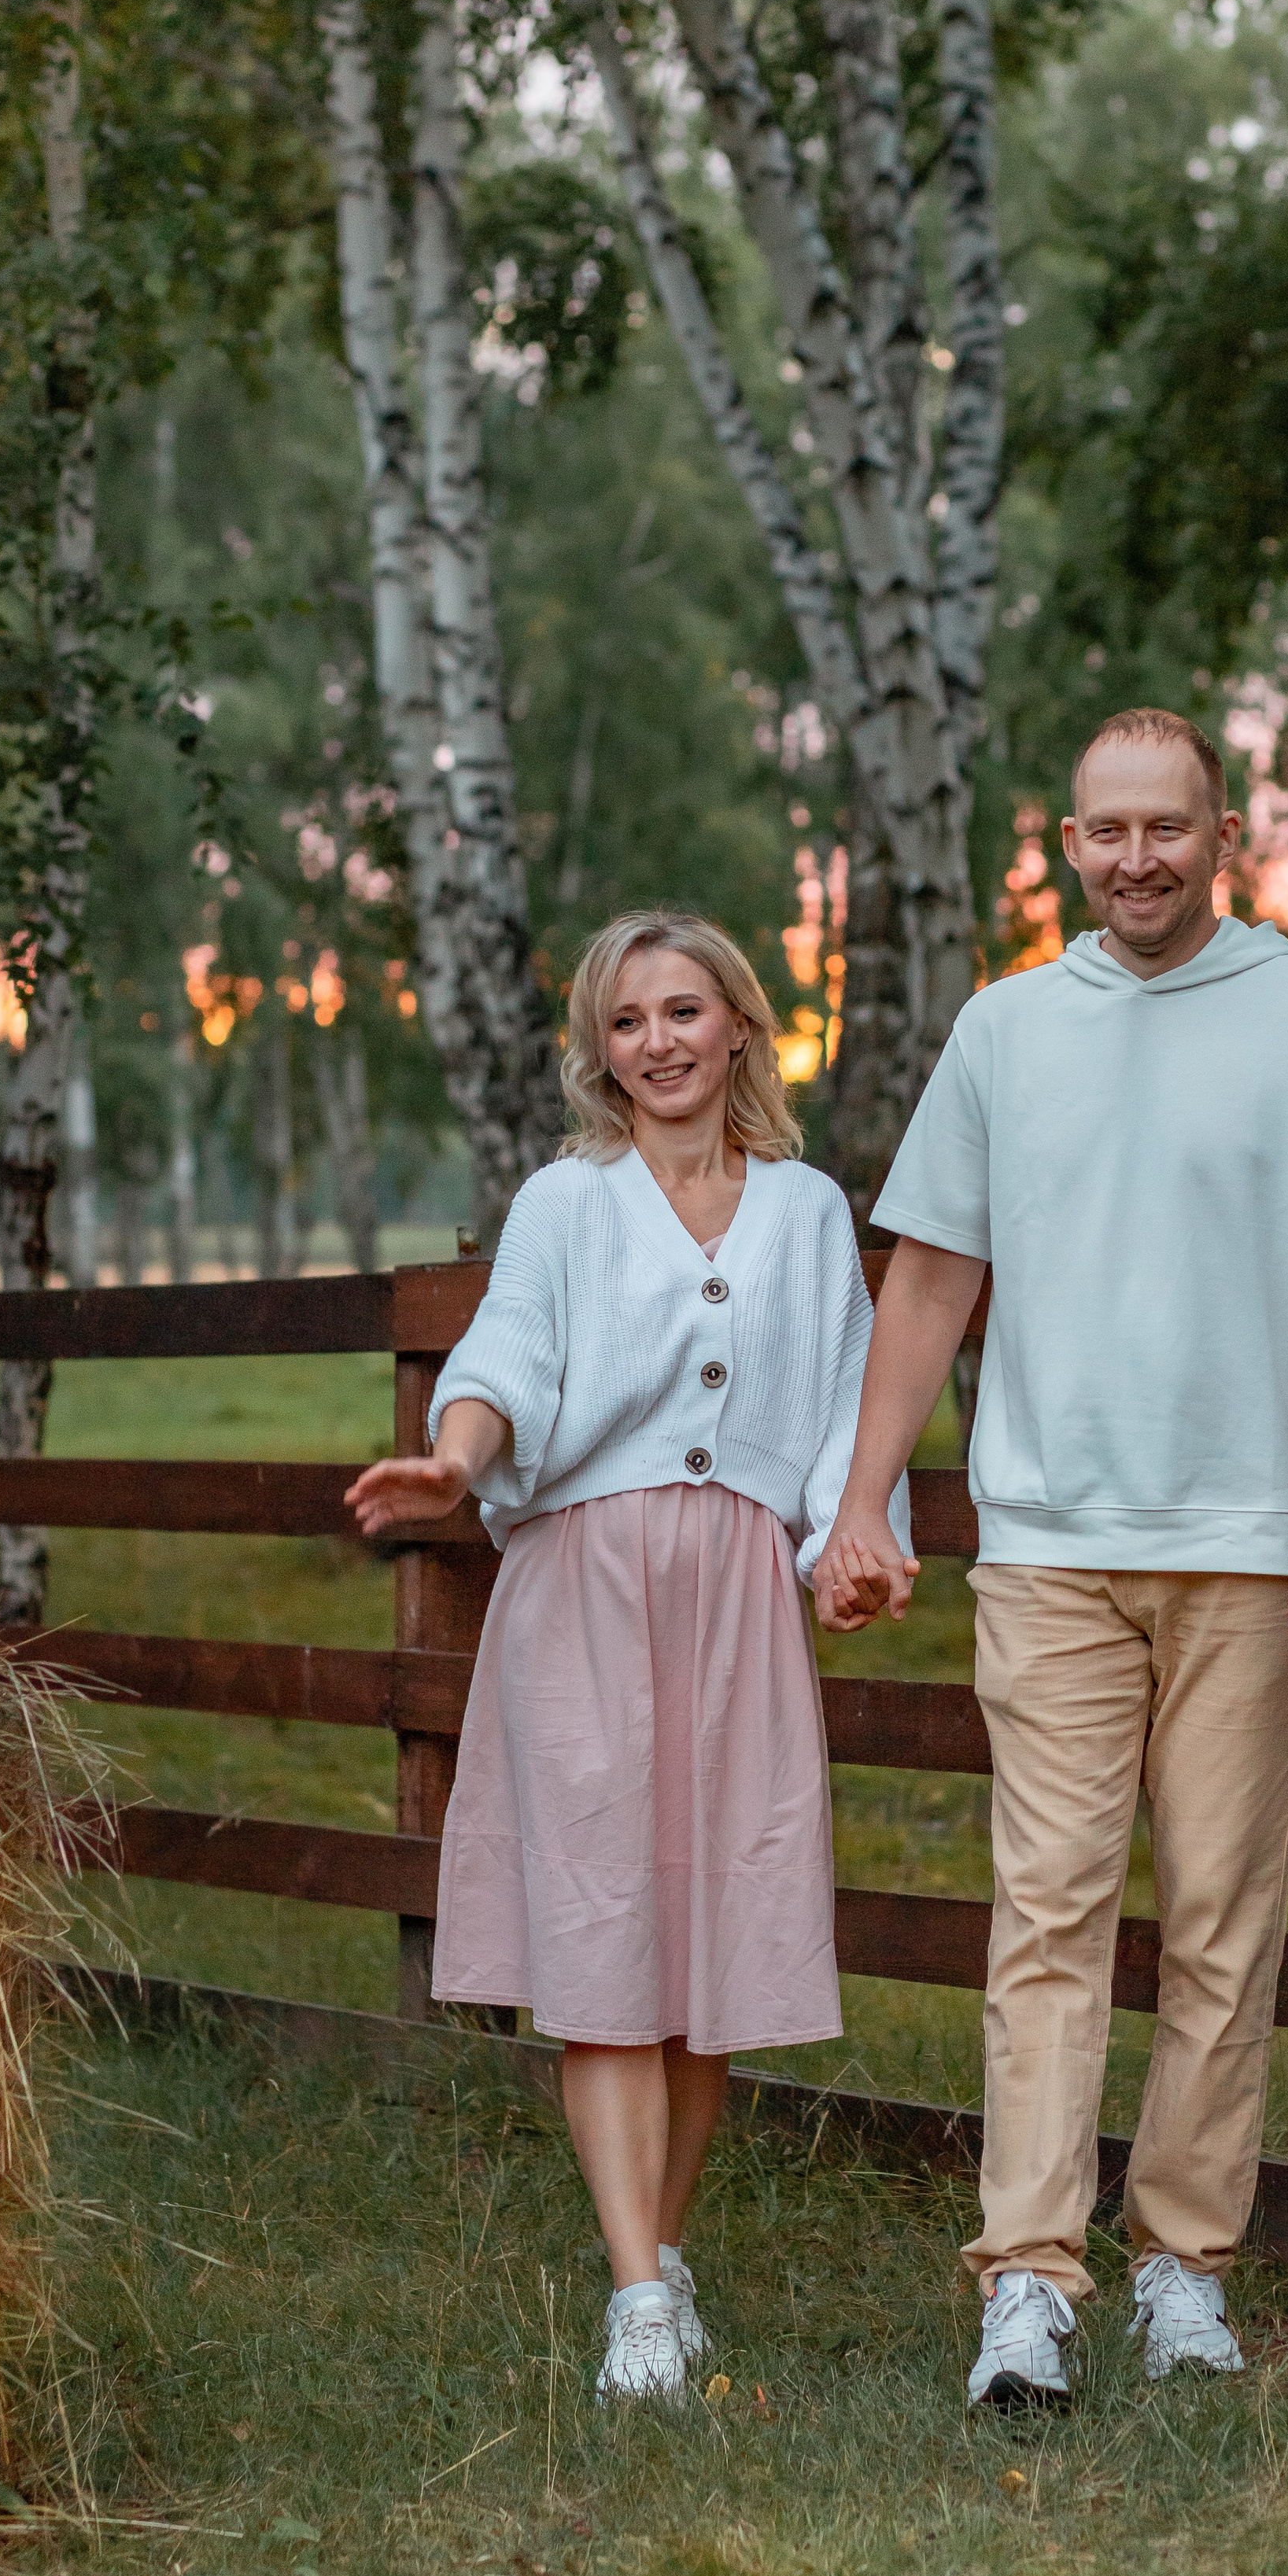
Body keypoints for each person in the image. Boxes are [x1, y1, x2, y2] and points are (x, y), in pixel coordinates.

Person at [815, 709, 1288, 2406]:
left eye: (1167, 828)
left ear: (1220, 834)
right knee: (1045, 1913)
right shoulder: (1006, 1030)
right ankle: (1025, 2279)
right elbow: (930, 1276)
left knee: (1224, 1918)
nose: (1137, 859)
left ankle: (1182, 2266)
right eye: (1107, 831)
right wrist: (865, 1497)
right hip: (1043, 1540)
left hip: (1248, 1539)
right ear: (1067, 844)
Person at [347, 911, 906, 2407]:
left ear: (738, 1026)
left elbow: (853, 1399)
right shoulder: (566, 1201)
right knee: (603, 1931)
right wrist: (455, 1464)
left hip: (738, 1594)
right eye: (626, 1021)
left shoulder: (804, 1211)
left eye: (684, 1010)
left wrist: (855, 1541)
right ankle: (639, 2297)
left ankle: (661, 2250)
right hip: (584, 1588)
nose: (658, 1042)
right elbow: (506, 1352)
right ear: (600, 1050)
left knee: (710, 1940)